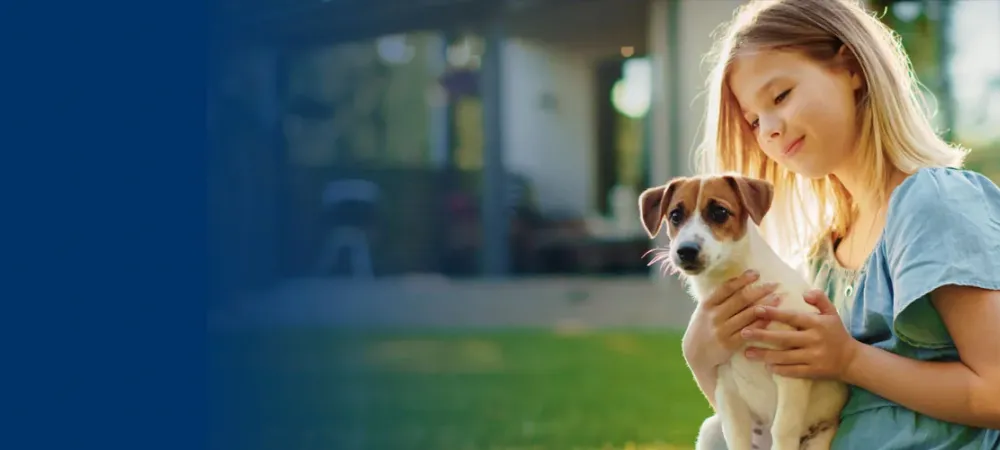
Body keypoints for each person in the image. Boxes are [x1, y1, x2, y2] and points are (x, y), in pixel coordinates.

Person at [681, 0, 1000, 448]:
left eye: (781, 96)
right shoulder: (821, 253)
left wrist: (850, 360)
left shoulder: (932, 204)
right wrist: (701, 357)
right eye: (754, 120)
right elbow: (773, 420)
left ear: (850, 66)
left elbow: (996, 390)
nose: (769, 128)